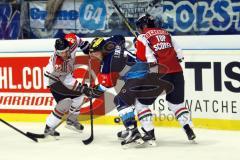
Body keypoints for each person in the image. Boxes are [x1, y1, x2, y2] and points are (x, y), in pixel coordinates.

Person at [88, 35, 171, 146]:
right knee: (138, 103)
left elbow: (109, 83)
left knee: (120, 100)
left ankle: (133, 131)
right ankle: (149, 133)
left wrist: (94, 91)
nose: (94, 55)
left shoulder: (108, 63)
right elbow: (120, 37)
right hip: (147, 72)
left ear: (103, 50)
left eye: (96, 53)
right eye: (92, 53)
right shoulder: (112, 42)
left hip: (137, 76)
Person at [134, 14, 196, 141]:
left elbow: (141, 60)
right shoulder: (167, 33)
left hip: (159, 74)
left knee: (140, 104)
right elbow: (180, 54)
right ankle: (188, 130)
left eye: (140, 26)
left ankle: (149, 133)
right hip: (177, 73)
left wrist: (137, 46)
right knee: (176, 104)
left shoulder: (142, 37)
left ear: (143, 25)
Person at [43, 33, 102, 136]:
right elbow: (67, 81)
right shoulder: (59, 63)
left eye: (65, 51)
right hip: (53, 79)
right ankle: (48, 127)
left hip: (66, 76)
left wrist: (86, 47)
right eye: (60, 53)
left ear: (68, 47)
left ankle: (71, 120)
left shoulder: (72, 41)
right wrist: (83, 88)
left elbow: (78, 40)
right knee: (64, 102)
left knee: (79, 97)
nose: (64, 55)